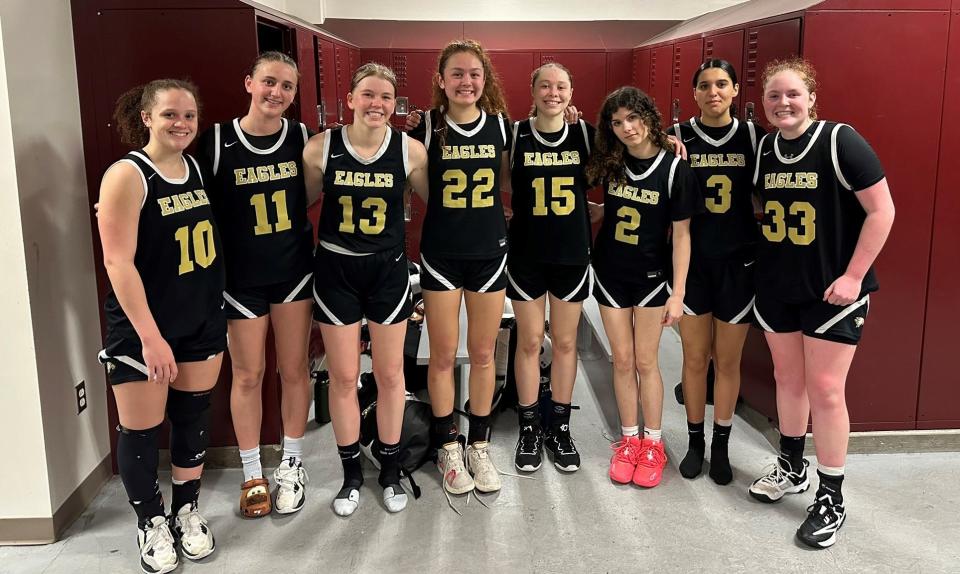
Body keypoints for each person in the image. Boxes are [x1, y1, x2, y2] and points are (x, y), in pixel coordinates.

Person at [747, 58, 894, 549]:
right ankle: (792, 467)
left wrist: (854, 276)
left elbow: (882, 210)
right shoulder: (766, 147)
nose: (782, 103)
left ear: (811, 96)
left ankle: (831, 495)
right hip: (779, 287)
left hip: (833, 292)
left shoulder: (840, 141)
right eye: (773, 96)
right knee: (788, 381)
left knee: (826, 389)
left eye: (792, 94)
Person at [97, 79, 223, 573]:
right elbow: (117, 264)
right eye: (170, 114)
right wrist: (151, 338)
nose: (181, 124)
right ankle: (151, 522)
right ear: (147, 117)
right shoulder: (128, 174)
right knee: (143, 429)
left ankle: (186, 510)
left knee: (192, 420)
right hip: (145, 330)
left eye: (189, 115)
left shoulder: (193, 166)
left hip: (200, 319)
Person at [302, 62, 429, 515]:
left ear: (396, 106)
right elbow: (299, 203)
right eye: (369, 95)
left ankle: (391, 470)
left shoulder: (410, 150)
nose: (377, 104)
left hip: (388, 271)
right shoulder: (321, 147)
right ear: (351, 100)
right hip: (336, 269)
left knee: (392, 375)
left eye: (386, 98)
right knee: (342, 376)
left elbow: (444, 205)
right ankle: (351, 473)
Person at [197, 51, 313, 518]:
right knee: (247, 374)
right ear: (249, 82)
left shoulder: (303, 138)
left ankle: (292, 462)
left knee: (294, 370)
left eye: (287, 86)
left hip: (293, 273)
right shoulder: (218, 141)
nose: (277, 93)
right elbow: (185, 193)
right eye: (269, 82)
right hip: (240, 280)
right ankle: (251, 471)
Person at [405, 39, 513, 495]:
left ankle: (480, 443)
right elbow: (424, 188)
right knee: (444, 355)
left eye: (474, 74)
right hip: (442, 255)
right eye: (457, 74)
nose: (466, 81)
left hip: (489, 253)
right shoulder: (426, 127)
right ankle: (449, 444)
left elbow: (511, 182)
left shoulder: (504, 128)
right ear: (441, 80)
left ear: (483, 80)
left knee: (485, 353)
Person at [586, 86, 701, 489]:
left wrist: (679, 292)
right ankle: (629, 439)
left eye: (633, 118)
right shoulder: (611, 162)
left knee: (646, 362)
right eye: (617, 122)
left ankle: (654, 443)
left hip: (652, 279)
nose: (626, 128)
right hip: (610, 272)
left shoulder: (674, 169)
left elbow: (683, 236)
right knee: (621, 360)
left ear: (649, 117)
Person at [668, 59, 764, 485]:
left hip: (739, 264)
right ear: (694, 94)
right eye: (704, 85)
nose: (713, 92)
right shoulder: (678, 138)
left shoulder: (752, 136)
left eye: (722, 84)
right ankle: (694, 442)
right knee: (694, 358)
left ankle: (721, 444)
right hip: (693, 265)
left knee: (728, 361)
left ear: (736, 90)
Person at [506, 62, 594, 473]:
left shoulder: (585, 134)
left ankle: (559, 426)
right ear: (533, 89)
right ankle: (528, 425)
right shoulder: (516, 133)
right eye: (545, 85)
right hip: (526, 254)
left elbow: (635, 148)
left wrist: (666, 140)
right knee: (528, 342)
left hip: (571, 255)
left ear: (571, 92)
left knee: (564, 343)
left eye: (561, 86)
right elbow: (502, 182)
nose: (553, 93)